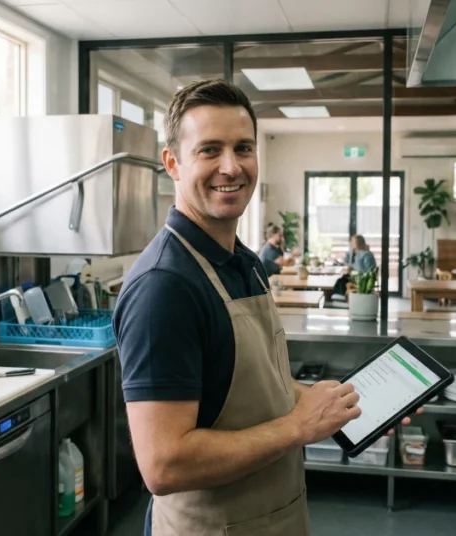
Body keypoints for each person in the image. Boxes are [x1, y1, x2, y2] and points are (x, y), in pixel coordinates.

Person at [113, 79, 420, 536]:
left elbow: (259, 386)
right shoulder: (165, 287)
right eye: (209, 150)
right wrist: (298, 427)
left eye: (243, 148)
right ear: (172, 163)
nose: (231, 167)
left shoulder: (245, 261)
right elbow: (164, 464)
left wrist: (339, 405)